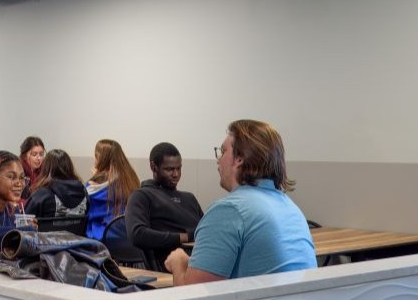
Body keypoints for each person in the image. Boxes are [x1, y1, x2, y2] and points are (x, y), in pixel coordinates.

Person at [165, 120, 316, 286]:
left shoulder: (229, 210)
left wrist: (178, 262)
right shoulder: (290, 207)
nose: (218, 160)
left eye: (223, 151)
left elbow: (193, 297)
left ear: (239, 159)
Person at [125, 142, 204, 267]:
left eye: (179, 168)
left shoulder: (189, 198)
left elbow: (204, 230)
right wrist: (184, 237)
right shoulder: (141, 196)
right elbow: (137, 234)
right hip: (171, 265)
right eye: (169, 169)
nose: (176, 174)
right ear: (153, 167)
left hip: (200, 260)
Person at [85, 139, 140, 240]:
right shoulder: (131, 181)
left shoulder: (92, 187)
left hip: (100, 238)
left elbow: (86, 208)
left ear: (100, 158)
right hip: (126, 238)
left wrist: (95, 178)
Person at [25, 149, 88, 218]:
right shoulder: (83, 191)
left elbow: (24, 220)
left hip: (46, 229)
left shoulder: (41, 194)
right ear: (69, 167)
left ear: (46, 168)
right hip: (78, 229)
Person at [19, 136, 45, 200]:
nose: (39, 158)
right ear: (24, 156)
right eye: (34, 154)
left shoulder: (45, 170)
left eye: (41, 154)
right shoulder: (18, 171)